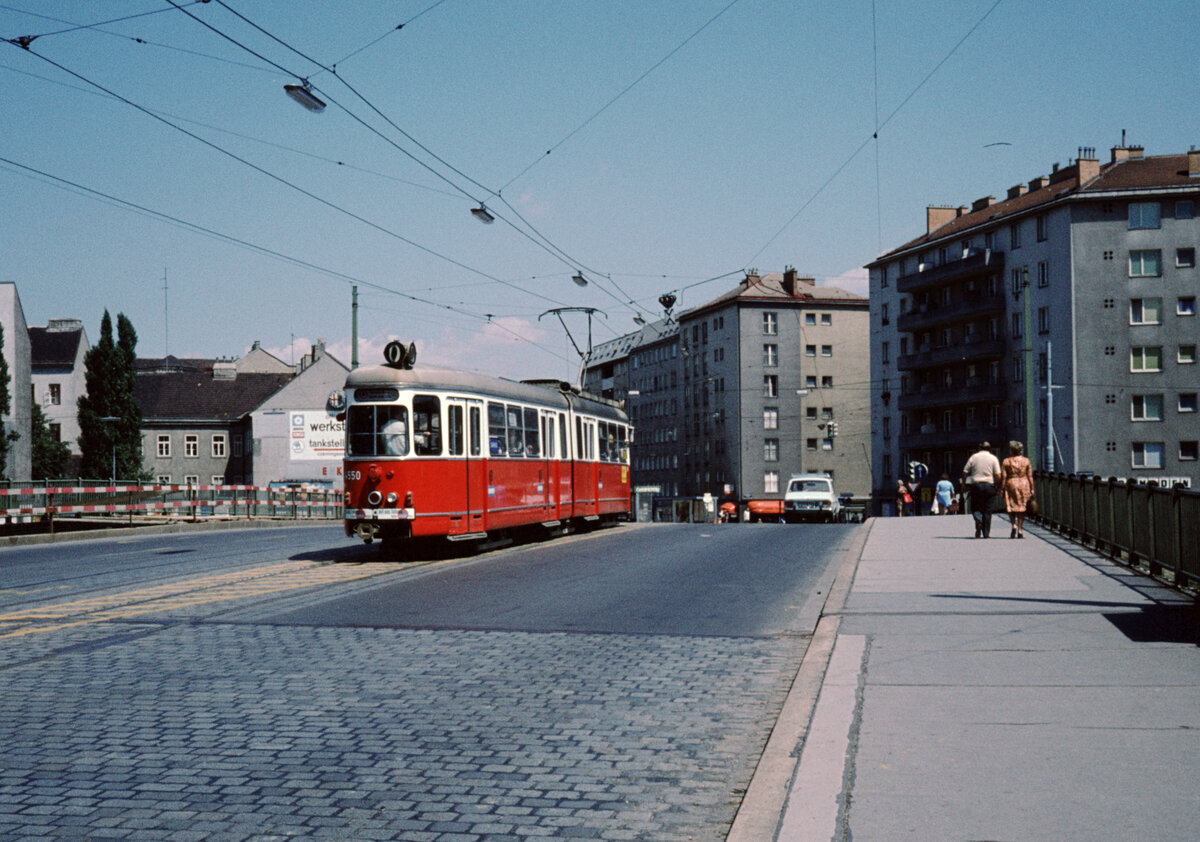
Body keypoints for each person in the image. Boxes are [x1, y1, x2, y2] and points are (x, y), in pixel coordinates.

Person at [962, 441, 1002, 538]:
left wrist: (964, 484)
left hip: (976, 485)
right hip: (989, 485)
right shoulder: (993, 458)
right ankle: (986, 533)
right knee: (987, 510)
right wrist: (998, 486)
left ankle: (979, 521)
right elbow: (998, 475)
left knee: (975, 507)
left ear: (979, 448)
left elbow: (965, 471)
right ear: (990, 449)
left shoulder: (974, 457)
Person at [1002, 440, 1035, 538]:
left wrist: (1002, 488)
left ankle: (1013, 525)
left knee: (1011, 506)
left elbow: (1004, 476)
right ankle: (1020, 530)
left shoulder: (1006, 461)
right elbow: (1030, 476)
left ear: (1012, 450)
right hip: (1024, 484)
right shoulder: (1026, 461)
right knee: (1022, 507)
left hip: (1011, 484)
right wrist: (1032, 488)